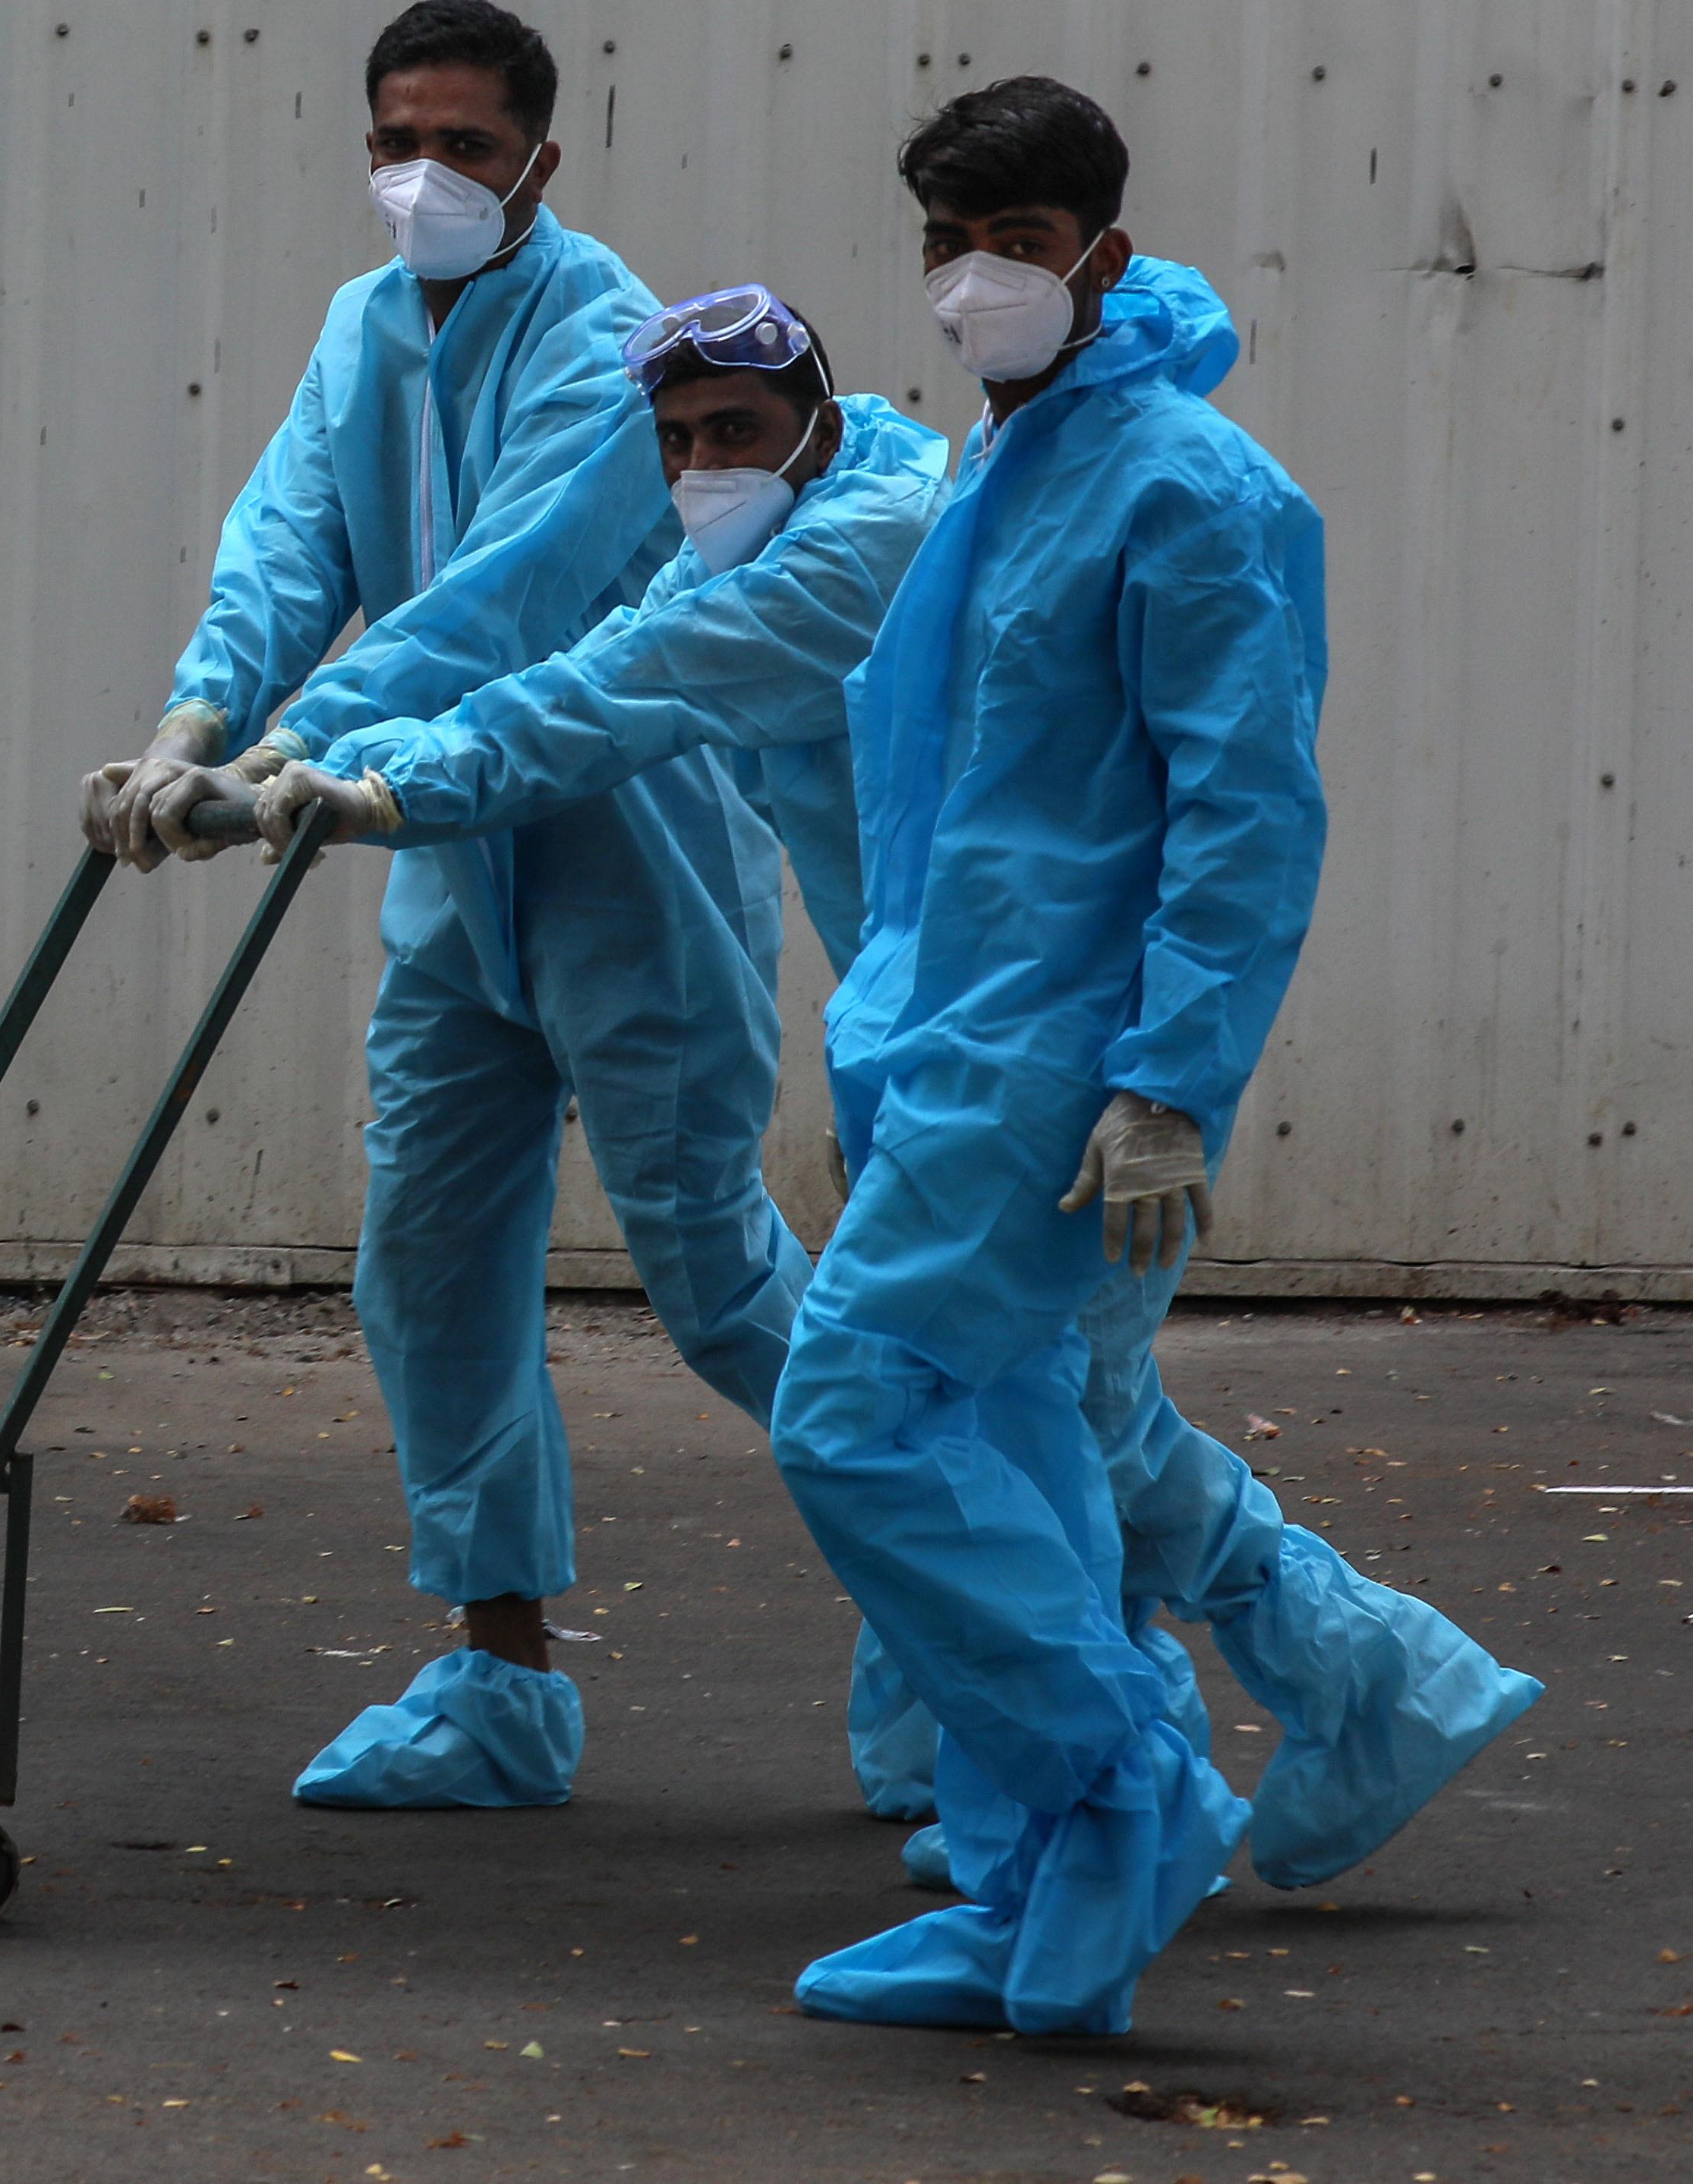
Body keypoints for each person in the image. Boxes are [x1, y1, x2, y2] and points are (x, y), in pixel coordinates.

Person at [222, 285, 1532, 1890]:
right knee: (1051, 1403)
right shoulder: (896, 508)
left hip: (1054, 1044)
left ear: (822, 419)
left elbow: (623, 683)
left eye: (737, 432)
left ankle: (1176, 1761)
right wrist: (279, 739)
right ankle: (1210, 1732)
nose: (704, 465)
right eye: (681, 440)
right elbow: (582, 645)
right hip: (959, 1040)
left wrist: (360, 782)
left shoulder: (887, 543)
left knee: (985, 1405)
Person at [751, 78, 1527, 2037]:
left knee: (853, 1411)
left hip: (1058, 1067)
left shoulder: (1186, 483)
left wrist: (1173, 1075)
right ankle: (1037, 1900)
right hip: (958, 1040)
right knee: (1025, 1444)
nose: (971, 276)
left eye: (1012, 236)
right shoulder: (997, 465)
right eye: (946, 236)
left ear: (1100, 240)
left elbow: (1244, 809)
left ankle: (1128, 1786)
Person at [81, 0, 810, 1812]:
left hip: (616, 837)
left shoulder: (607, 340)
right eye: (397, 140)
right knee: (426, 1261)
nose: (426, 176)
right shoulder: (362, 325)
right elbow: (291, 537)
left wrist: (286, 757)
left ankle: (989, 1607)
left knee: (715, 1277)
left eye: (466, 146)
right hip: (428, 846)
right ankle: (497, 1674)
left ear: (540, 161)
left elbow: (501, 596)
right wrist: (194, 712)